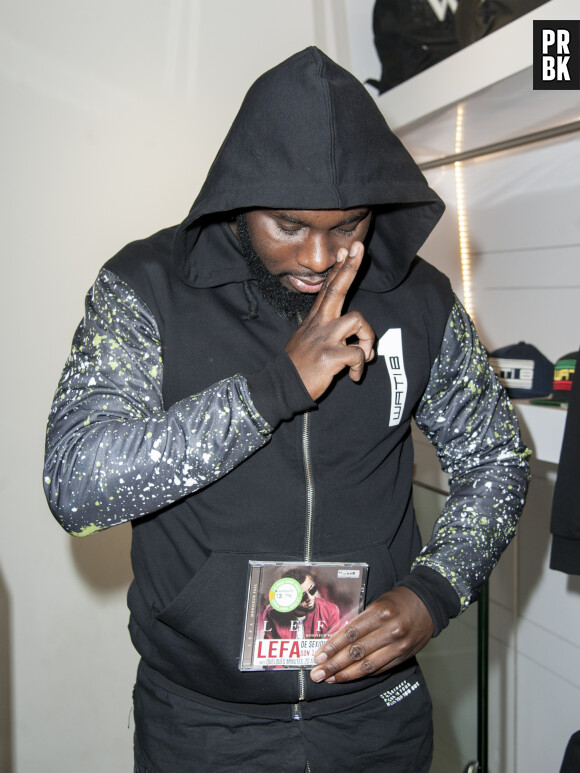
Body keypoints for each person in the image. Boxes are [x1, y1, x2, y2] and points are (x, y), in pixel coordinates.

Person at [43, 47, 530, 772]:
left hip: (376, 718)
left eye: (349, 226)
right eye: (289, 225)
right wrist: (274, 388)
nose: (321, 255)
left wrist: (434, 590)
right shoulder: (146, 288)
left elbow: (498, 459)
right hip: (203, 726)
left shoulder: (417, 299)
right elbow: (78, 483)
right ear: (240, 201)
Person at [261, 569, 341, 640]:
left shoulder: (330, 611)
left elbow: (332, 647)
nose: (310, 598)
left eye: (312, 590)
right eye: (302, 596)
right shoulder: (271, 615)